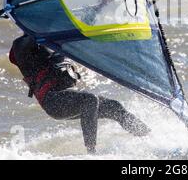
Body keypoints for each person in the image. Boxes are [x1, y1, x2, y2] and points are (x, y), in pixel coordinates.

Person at [9, 34, 151, 154]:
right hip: (52, 101)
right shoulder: (20, 45)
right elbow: (34, 35)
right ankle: (91, 153)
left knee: (114, 107)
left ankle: (149, 137)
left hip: (65, 95)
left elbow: (83, 24)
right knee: (89, 100)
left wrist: (101, 5)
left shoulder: (54, 42)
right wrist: (43, 27)